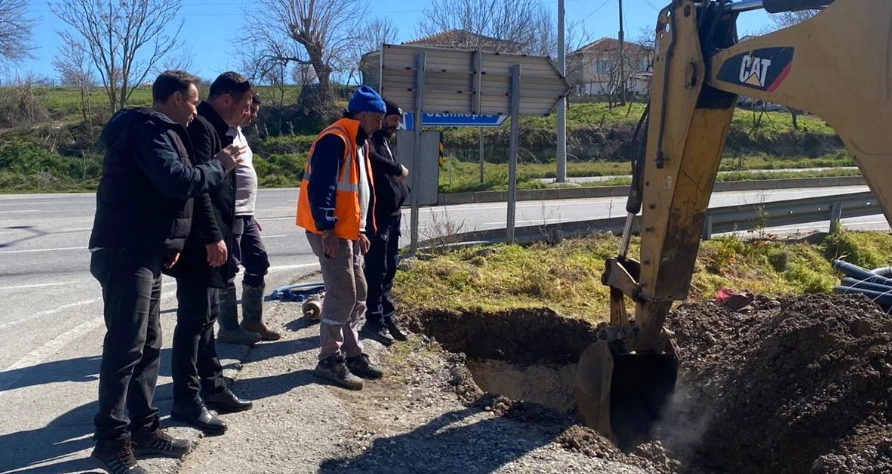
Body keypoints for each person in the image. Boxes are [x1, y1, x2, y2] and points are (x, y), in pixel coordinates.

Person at [87, 70, 244, 474]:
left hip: (146, 251)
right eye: (192, 101)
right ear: (175, 98)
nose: (195, 109)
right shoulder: (149, 131)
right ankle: (110, 442)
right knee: (125, 348)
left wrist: (169, 245)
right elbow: (177, 182)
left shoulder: (166, 132)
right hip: (125, 253)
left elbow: (159, 197)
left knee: (148, 345)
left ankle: (143, 429)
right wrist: (220, 165)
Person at [165, 72, 255, 435]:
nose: (248, 110)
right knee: (194, 321)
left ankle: (213, 387)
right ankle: (186, 400)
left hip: (213, 238)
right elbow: (197, 189)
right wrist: (212, 236)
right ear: (225, 99)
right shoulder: (202, 127)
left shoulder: (218, 129)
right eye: (245, 103)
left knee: (207, 317)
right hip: (200, 243)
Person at [295, 85, 387, 390]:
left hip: (347, 232)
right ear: (362, 115)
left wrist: (360, 230)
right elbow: (321, 188)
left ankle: (351, 352)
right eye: (377, 119)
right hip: (330, 232)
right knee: (342, 294)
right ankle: (329, 360)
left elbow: (355, 194)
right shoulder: (335, 139)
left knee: (359, 292)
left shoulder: (358, 142)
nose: (379, 125)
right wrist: (327, 231)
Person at [217, 94, 281, 344]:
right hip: (230, 213)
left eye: (255, 111)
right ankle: (228, 328)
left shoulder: (240, 133)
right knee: (228, 268)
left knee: (258, 262)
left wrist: (251, 214)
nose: (252, 115)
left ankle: (252, 321)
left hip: (246, 213)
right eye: (248, 109)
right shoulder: (221, 132)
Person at [360, 98, 410, 346]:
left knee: (390, 267)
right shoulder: (369, 141)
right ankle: (374, 320)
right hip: (377, 217)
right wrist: (397, 168)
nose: (394, 126)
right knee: (376, 269)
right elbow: (372, 160)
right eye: (392, 120)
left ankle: (386, 316)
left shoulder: (385, 142)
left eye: (397, 122)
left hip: (392, 216)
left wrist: (403, 190)